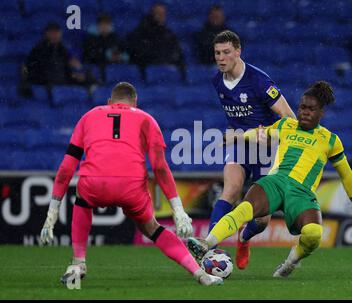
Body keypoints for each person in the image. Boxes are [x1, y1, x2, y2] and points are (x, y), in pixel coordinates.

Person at [39, 82, 223, 286]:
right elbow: (160, 168)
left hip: (95, 183)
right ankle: (200, 274)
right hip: (131, 186)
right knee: (153, 228)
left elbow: (66, 168)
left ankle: (78, 263)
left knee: (83, 201)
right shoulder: (146, 119)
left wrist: (51, 214)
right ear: (135, 103)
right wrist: (178, 211)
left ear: (109, 102)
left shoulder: (89, 115)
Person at [188, 81, 352, 278]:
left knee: (313, 234)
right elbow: (260, 134)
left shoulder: (330, 140)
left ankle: (291, 261)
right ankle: (206, 243)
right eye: (302, 107)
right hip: (275, 182)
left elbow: (347, 175)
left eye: (312, 109)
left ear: (321, 113)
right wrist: (235, 137)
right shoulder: (286, 125)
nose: (305, 112)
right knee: (244, 208)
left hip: (302, 192)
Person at [208, 30, 296, 270]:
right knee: (231, 188)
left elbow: (290, 119)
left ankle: (244, 237)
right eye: (217, 53)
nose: (221, 58)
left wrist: (268, 135)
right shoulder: (217, 80)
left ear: (238, 52)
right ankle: (208, 249)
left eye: (226, 52)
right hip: (239, 145)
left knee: (262, 219)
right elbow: (237, 115)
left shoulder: (259, 81)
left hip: (267, 149)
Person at [24, 22, 96, 87]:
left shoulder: (61, 48)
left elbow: (70, 64)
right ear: (47, 34)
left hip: (62, 80)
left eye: (57, 32)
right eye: (52, 32)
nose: (56, 35)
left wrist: (74, 74)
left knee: (88, 79)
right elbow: (41, 69)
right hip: (47, 82)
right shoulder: (39, 49)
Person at [127, 3, 186, 79]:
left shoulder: (168, 33)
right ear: (152, 14)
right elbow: (139, 52)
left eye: (163, 13)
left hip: (166, 70)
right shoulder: (142, 32)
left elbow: (177, 51)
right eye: (158, 13)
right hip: (148, 70)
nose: (162, 16)